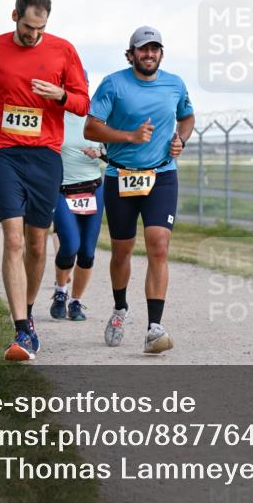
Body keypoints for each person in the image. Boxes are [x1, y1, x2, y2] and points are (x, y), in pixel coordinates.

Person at [0, 0, 89, 361]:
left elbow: (81, 103)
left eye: (40, 28)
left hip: (44, 156)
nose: (34, 35)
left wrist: (59, 95)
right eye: (28, 27)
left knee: (37, 243)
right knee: (13, 240)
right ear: (15, 17)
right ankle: (22, 330)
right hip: (4, 153)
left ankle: (27, 311)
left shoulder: (63, 50)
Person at [84, 26, 195, 355]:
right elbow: (91, 127)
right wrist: (129, 137)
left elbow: (186, 117)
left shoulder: (175, 84)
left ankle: (154, 327)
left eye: (155, 49)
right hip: (121, 176)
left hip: (161, 175)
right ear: (130, 54)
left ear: (161, 53)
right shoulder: (114, 84)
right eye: (143, 49)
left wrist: (181, 140)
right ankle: (120, 309)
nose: (149, 54)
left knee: (158, 245)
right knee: (122, 250)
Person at [49, 74, 105, 323]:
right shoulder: (53, 114)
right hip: (62, 190)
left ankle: (76, 301)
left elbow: (112, 148)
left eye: (80, 84)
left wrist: (100, 151)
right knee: (69, 246)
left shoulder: (96, 114)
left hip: (93, 189)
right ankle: (61, 291)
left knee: (87, 253)